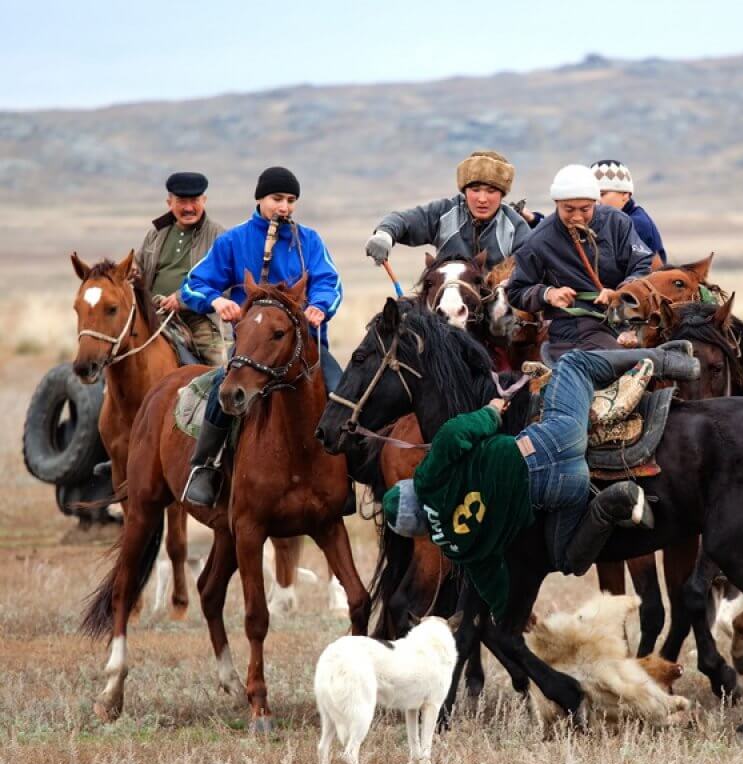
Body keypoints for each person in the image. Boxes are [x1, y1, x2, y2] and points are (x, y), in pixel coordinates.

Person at [383, 343, 700, 618]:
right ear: (411, 490)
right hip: (553, 442)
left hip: (566, 490)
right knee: (574, 363)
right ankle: (670, 360)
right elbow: (453, 435)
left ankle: (610, 504)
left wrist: (503, 610)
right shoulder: (427, 480)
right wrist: (492, 412)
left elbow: (492, 582)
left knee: (566, 560)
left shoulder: (453, 547)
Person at [180, 166, 345, 507]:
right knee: (221, 393)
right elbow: (192, 284)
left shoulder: (309, 240)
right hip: (252, 350)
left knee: (343, 393)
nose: (284, 208)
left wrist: (320, 306)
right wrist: (217, 300)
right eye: (276, 199)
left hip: (303, 350)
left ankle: (350, 474)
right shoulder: (234, 240)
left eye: (290, 200)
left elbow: (330, 282)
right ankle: (205, 468)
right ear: (260, 199)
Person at [507, 164, 654, 358]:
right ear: (556, 203)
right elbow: (516, 290)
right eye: (568, 209)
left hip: (627, 314)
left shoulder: (617, 222)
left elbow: (642, 264)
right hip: (573, 325)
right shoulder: (539, 240)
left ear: (595, 202)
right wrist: (548, 294)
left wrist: (621, 293)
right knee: (618, 360)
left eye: (585, 209)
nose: (577, 217)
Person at [365, 150, 531, 272]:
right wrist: (384, 235)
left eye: (491, 191)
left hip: (498, 309)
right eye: (475, 189)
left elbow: (531, 266)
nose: (482, 198)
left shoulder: (515, 226)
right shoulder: (444, 212)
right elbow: (402, 221)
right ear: (464, 191)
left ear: (502, 194)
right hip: (445, 305)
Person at [134, 171, 227, 365]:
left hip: (196, 318)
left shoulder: (219, 236)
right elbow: (138, 265)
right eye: (181, 201)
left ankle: (216, 394)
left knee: (220, 367)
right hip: (151, 313)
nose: (188, 208)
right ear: (170, 203)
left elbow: (224, 283)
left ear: (204, 200)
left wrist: (182, 299)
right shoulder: (156, 233)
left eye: (194, 201)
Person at [592, 160, 667, 263]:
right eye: (592, 195)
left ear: (625, 195)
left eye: (602, 194)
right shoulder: (609, 221)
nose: (596, 201)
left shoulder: (635, 224)